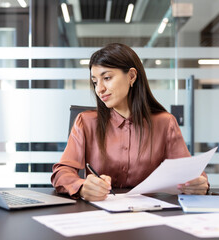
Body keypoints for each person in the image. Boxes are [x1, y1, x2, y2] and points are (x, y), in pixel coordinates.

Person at [51, 43, 209, 201]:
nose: (99, 89)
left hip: (149, 214)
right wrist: (82, 187)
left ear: (132, 76)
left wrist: (199, 183)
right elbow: (61, 172)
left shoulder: (165, 123)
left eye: (106, 78)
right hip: (99, 214)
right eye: (95, 81)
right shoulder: (86, 122)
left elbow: (189, 172)